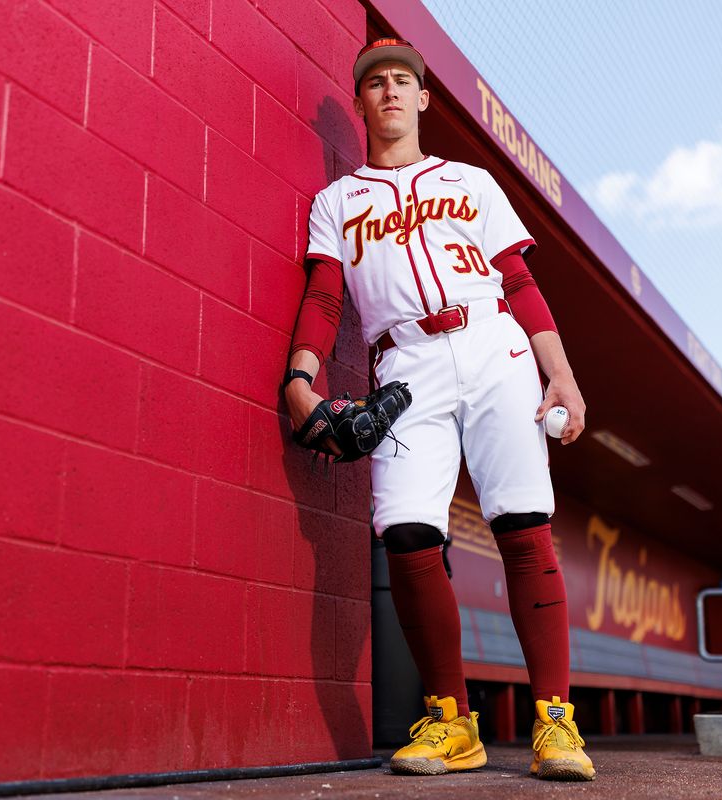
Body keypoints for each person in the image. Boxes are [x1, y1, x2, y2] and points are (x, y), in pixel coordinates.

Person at [282, 38, 595, 781]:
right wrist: (300, 378)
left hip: (493, 345)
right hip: (405, 365)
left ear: (423, 98)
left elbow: (518, 281)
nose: (389, 92)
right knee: (406, 532)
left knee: (522, 522)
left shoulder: (472, 181)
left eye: (401, 82)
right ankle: (452, 722)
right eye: (374, 84)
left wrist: (563, 378)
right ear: (361, 102)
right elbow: (326, 296)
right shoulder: (336, 202)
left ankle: (556, 722)